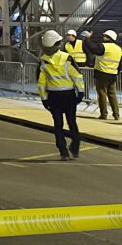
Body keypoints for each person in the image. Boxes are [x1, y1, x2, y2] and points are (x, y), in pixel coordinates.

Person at [36, 29, 82, 160]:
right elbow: (77, 76)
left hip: (53, 96)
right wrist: (80, 92)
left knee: (58, 125)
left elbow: (41, 83)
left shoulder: (43, 62)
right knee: (72, 122)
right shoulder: (67, 58)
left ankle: (63, 152)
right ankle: (75, 147)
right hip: (69, 95)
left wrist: (44, 99)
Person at [93, 28, 122, 120]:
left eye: (105, 36)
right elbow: (119, 63)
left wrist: (88, 39)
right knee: (112, 94)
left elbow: (93, 49)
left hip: (102, 73)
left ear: (109, 37)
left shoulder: (103, 46)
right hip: (113, 74)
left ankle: (103, 114)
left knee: (102, 93)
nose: (103, 37)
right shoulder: (119, 48)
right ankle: (116, 114)